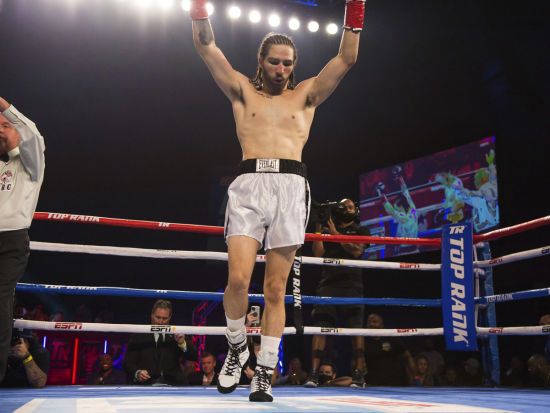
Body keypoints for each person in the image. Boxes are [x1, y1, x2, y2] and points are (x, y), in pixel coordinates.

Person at [189, 0, 365, 402]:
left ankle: (265, 371)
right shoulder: (241, 91)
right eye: (274, 62)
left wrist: (355, 8)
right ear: (261, 61)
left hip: (290, 187)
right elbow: (205, 45)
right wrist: (198, 7)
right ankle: (237, 347)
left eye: (287, 63)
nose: (281, 69)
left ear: (294, 65)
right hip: (249, 184)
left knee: (274, 288)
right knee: (237, 280)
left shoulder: (306, 96)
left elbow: (346, 58)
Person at [0, 96, 46, 384]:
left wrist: (3, 106)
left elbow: (32, 134)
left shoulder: (31, 164)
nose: (1, 130)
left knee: (0, 300)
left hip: (11, 242)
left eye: (6, 126)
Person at [305, 198, 367, 388]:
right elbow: (318, 253)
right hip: (328, 284)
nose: (347, 209)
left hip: (351, 284)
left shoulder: (361, 230)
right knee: (320, 327)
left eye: (351, 206)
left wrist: (335, 234)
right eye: (344, 206)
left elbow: (357, 251)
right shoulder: (326, 230)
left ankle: (359, 374)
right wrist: (318, 227)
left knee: (356, 330)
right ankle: (313, 374)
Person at [122, 300, 197, 385]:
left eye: (164, 318)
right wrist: (137, 373)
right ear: (152, 315)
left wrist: (182, 343)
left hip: (173, 383)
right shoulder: (139, 335)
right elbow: (127, 363)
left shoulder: (176, 333)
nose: (160, 322)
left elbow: (194, 357)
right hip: (147, 384)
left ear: (170, 317)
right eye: (157, 317)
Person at [363, 313, 416, 386]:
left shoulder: (391, 338)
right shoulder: (363, 342)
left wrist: (415, 377)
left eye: (375, 322)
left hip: (395, 383)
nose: (371, 324)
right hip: (374, 384)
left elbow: (408, 357)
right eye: (369, 322)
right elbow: (357, 362)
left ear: (382, 326)